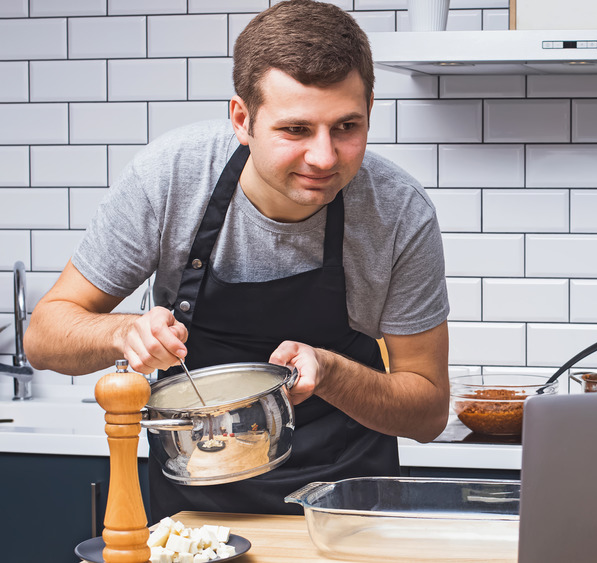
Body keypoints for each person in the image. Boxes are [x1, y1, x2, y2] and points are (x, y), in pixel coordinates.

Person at [23, 0, 450, 521]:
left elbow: (428, 412)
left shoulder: (398, 212)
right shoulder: (171, 179)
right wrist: (123, 332)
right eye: (295, 130)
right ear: (242, 119)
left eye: (346, 127)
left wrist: (334, 373)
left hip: (347, 512)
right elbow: (43, 336)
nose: (324, 157)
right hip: (198, 510)